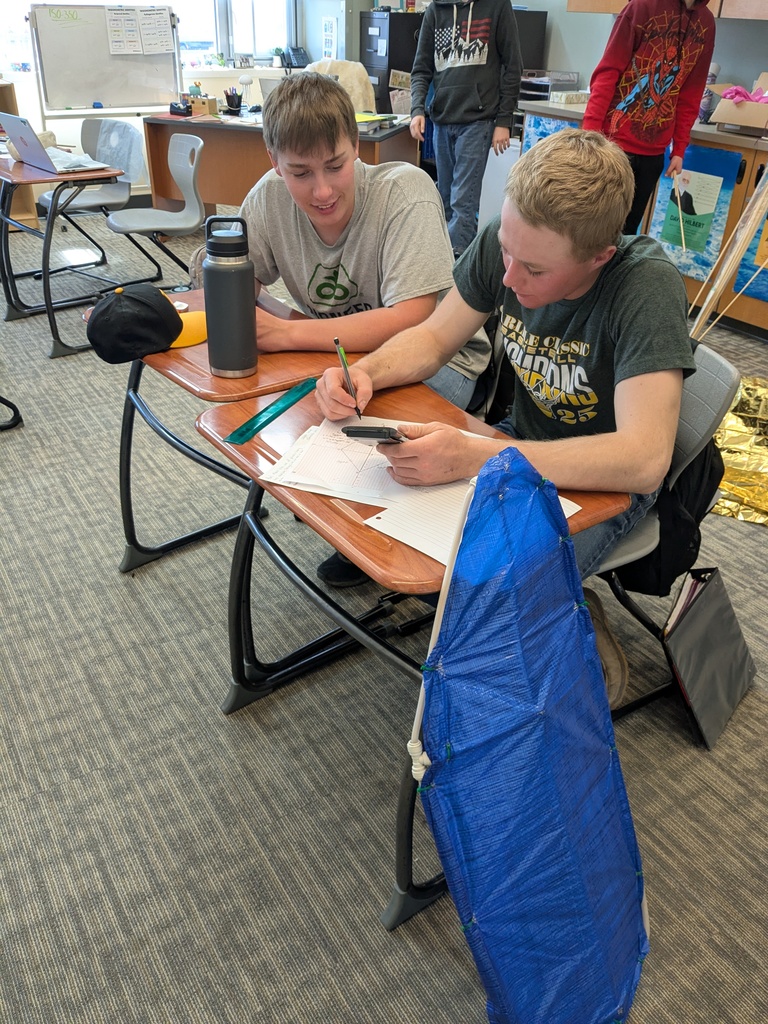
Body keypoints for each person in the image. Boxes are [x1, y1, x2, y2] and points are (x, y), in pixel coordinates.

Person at [315, 128, 697, 706]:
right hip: (522, 441)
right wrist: (365, 372)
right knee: (397, 518)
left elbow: (642, 461)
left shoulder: (643, 286)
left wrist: (478, 454)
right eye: (510, 253)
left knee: (487, 597)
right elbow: (435, 337)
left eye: (536, 271)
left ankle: (572, 609)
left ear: (600, 256)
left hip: (603, 483)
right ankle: (551, 599)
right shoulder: (509, 241)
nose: (509, 279)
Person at [200, 72, 490, 587]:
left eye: (336, 165)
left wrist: (289, 334)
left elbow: (413, 318)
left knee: (334, 417)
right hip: (336, 353)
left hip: (441, 362)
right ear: (274, 163)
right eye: (300, 173)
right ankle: (353, 525)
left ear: (357, 145)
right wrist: (234, 287)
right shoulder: (268, 198)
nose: (323, 189)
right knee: (280, 407)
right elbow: (225, 273)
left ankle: (381, 539)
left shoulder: (405, 192)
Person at [582, 0, 715, 235]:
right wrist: (590, 136)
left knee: (626, 235)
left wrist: (679, 149)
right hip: (611, 148)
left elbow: (691, 93)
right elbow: (607, 72)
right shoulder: (642, 7)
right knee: (592, 230)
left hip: (653, 153)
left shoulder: (706, 24)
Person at [409, 0, 522, 256]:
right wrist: (417, 110)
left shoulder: (497, 6)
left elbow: (513, 67)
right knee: (446, 199)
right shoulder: (435, 11)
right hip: (442, 119)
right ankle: (451, 265)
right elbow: (421, 69)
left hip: (478, 120)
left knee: (463, 202)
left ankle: (455, 274)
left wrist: (504, 121)